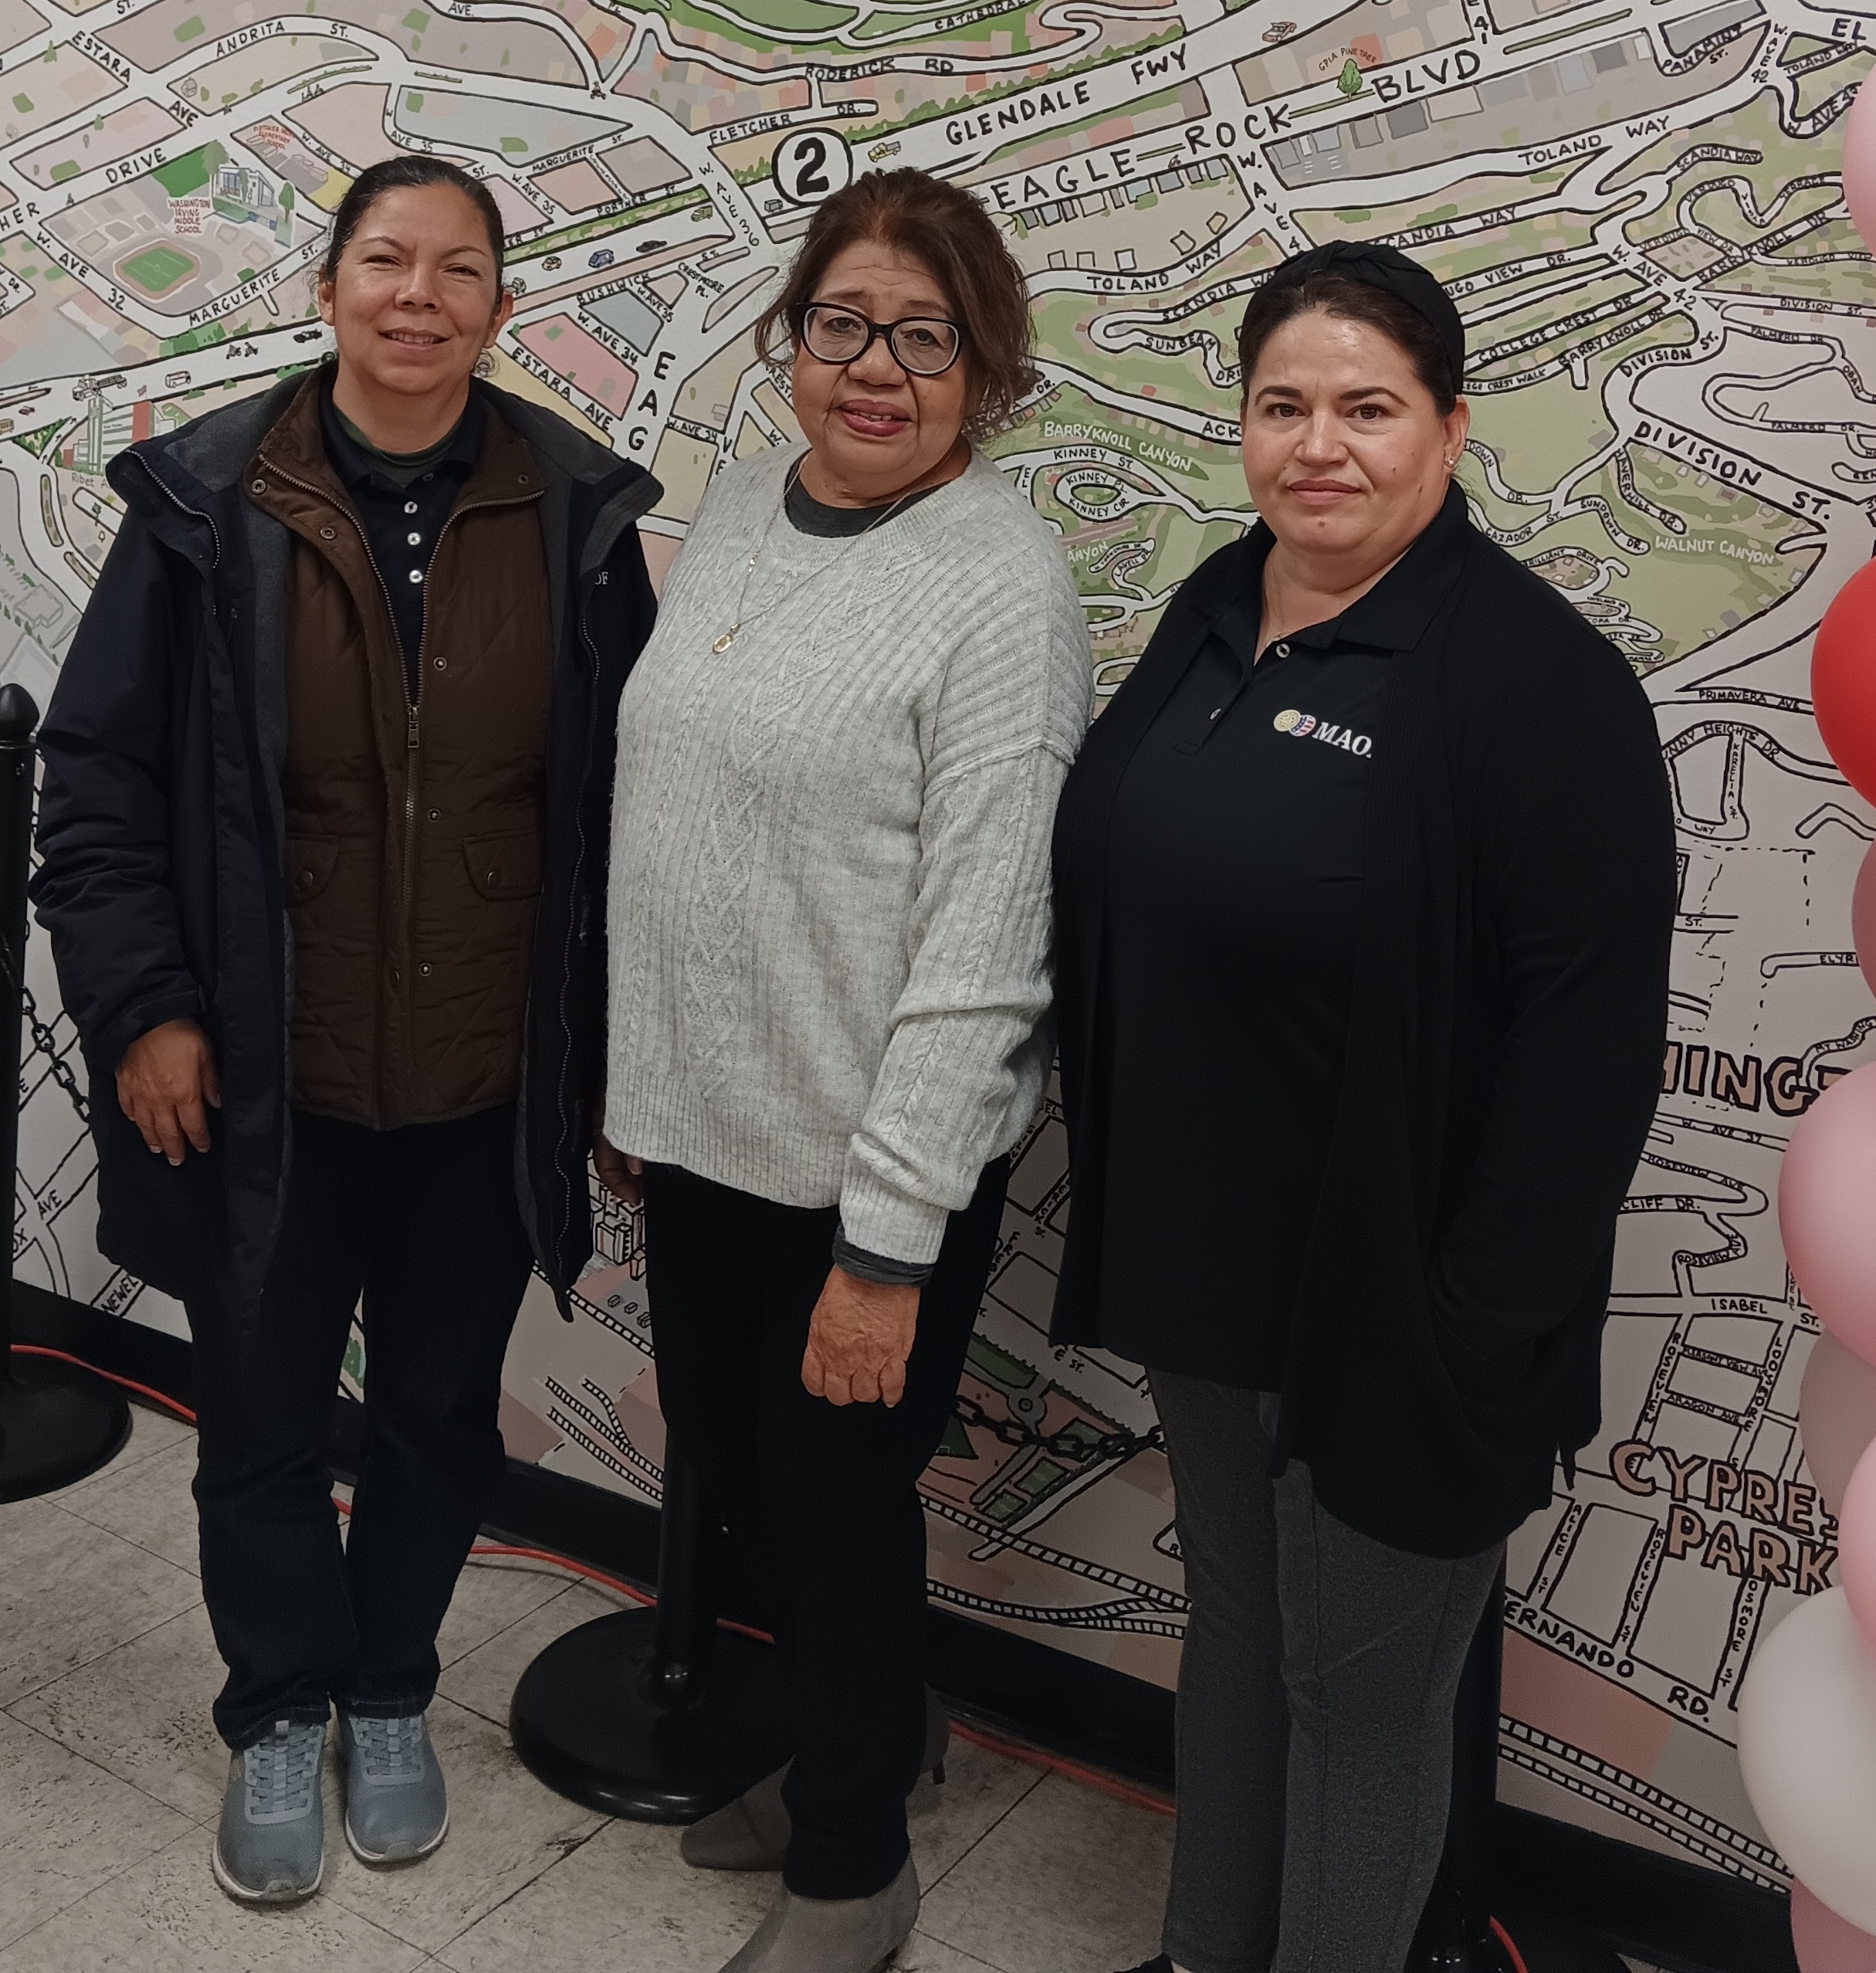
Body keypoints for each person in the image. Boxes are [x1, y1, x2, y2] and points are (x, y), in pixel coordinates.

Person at [32, 156, 660, 1905]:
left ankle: (391, 1692)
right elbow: (93, 787)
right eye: (386, 259)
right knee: (258, 1424)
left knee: (443, 1416)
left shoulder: (573, 516)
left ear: (503, 311)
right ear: (327, 291)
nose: (420, 294)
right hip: (260, 1091)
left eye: (462, 269)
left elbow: (621, 821)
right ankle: (274, 1706)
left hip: (480, 1089)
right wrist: (144, 1010)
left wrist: (607, 1061)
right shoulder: (204, 505)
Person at [1049, 242, 1676, 1973]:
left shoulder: (1538, 688)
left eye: (1368, 408)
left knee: (1367, 1708)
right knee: (1243, 1639)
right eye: (1283, 405)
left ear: (1453, 429)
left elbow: (1587, 1052)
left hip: (1407, 1313)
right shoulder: (1214, 604)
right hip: (1208, 1276)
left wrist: (1476, 1329)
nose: (1320, 445)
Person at [598, 166, 1091, 1972]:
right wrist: (636, 1097)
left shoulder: (1003, 593)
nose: (873, 369)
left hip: (863, 1170)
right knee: (732, 1470)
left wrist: (885, 1248)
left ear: (986, 369)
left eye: (924, 338)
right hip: (703, 1130)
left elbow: (985, 959)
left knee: (832, 1504)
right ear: (790, 335)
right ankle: (860, 1734)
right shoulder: (739, 507)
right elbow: (684, 820)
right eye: (841, 324)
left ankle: (852, 1866)